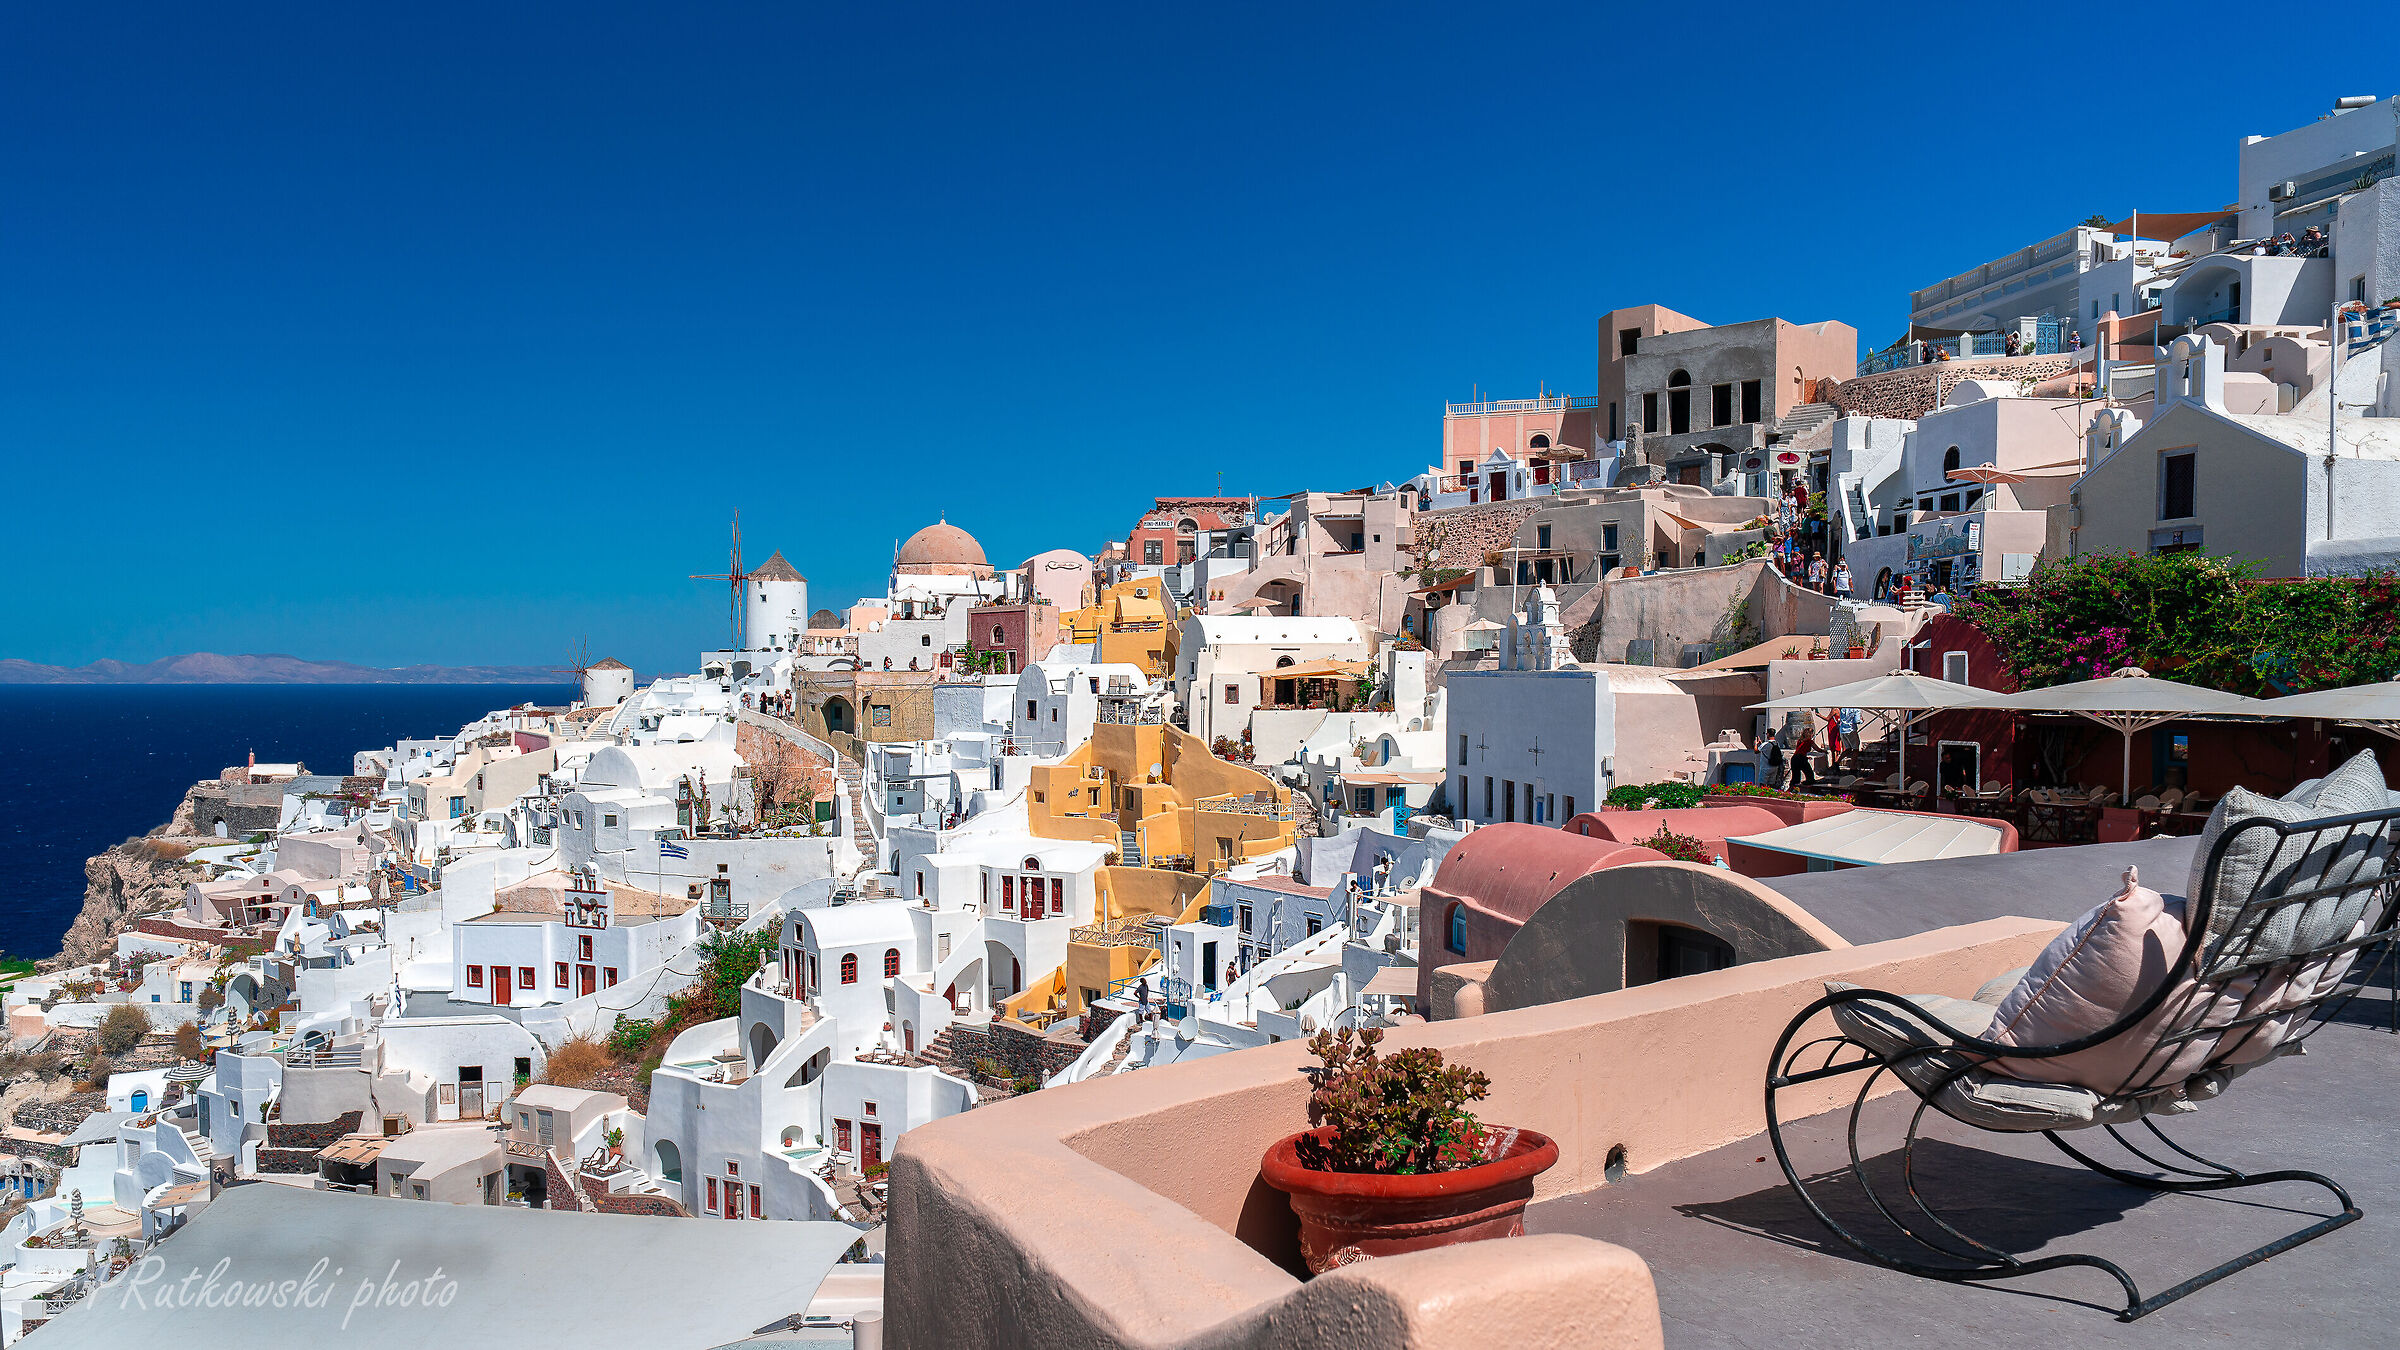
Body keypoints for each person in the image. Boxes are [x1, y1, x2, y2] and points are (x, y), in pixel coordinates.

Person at [1789, 723, 1820, 791]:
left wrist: (1806, 757)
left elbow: (1799, 750)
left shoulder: (1800, 740)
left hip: (1795, 758)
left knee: (1796, 776)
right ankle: (1809, 788)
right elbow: (1817, 749)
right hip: (1801, 758)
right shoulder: (1810, 741)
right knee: (1809, 774)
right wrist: (1824, 751)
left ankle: (1792, 789)